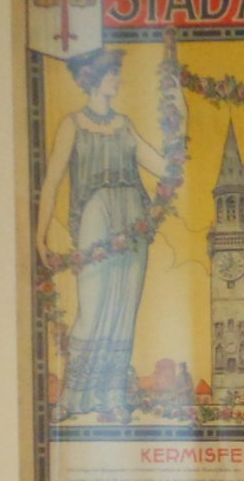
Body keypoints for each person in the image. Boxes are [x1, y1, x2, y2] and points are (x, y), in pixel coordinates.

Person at [37, 47, 170, 420]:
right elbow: (51, 182)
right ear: (93, 78)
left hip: (132, 224)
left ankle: (111, 395)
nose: (118, 78)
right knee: (92, 307)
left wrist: (179, 123)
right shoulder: (74, 125)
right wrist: (40, 235)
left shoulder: (125, 125)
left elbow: (164, 168)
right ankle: (74, 397)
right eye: (112, 72)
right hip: (95, 221)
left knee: (124, 309)